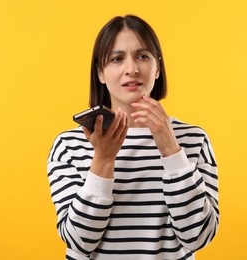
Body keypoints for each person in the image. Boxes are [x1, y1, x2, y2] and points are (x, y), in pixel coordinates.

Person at [47, 15, 219, 260]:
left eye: (142, 56)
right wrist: (103, 160)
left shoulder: (193, 139)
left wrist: (171, 150)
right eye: (117, 59)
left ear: (157, 68)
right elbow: (79, 242)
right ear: (100, 73)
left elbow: (198, 237)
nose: (132, 69)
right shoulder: (69, 146)